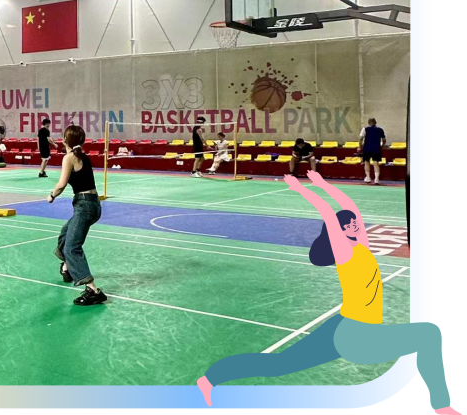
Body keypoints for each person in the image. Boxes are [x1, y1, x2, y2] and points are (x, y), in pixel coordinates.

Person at [196, 171, 459, 415]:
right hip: (358, 336)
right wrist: (302, 189)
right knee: (429, 334)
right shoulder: (344, 253)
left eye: (355, 222)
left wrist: (322, 184)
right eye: (351, 224)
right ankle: (441, 405)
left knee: (280, 364)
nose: (356, 223)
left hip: (341, 326)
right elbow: (327, 213)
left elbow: (348, 205)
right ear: (339, 232)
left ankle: (209, 379)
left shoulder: (362, 246)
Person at [48, 125, 107, 306]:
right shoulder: (82, 156)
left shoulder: (69, 157)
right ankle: (67, 268)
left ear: (65, 140)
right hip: (93, 204)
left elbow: (61, 184)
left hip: (84, 206)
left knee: (72, 247)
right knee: (65, 235)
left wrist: (51, 195)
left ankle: (93, 290)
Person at [360, 118, 387, 185]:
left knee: (366, 162)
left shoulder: (365, 129)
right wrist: (382, 145)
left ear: (368, 123)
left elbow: (361, 138)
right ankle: (376, 179)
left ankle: (368, 177)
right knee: (376, 163)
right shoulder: (380, 130)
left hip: (367, 148)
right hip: (376, 148)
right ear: (375, 122)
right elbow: (384, 140)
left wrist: (359, 146)